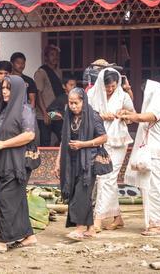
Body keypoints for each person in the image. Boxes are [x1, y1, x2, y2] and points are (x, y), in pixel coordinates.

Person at [121, 80, 160, 236]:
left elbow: (148, 117)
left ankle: (156, 225)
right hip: (153, 153)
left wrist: (132, 116)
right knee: (150, 188)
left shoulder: (159, 104)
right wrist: (132, 115)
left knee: (152, 189)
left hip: (155, 154)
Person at [0, 75, 38, 253]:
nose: (5, 91)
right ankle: (28, 236)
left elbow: (29, 135)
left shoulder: (25, 110)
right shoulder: (3, 109)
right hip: (2, 161)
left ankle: (2, 240)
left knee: (6, 199)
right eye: (3, 88)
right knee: (16, 199)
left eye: (8, 88)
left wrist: (4, 144)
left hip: (17, 162)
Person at [56, 88, 107, 240]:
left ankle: (79, 229)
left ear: (83, 101)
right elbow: (64, 140)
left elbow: (104, 137)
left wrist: (83, 144)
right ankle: (90, 229)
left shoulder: (93, 116)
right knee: (75, 192)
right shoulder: (69, 117)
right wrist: (58, 161)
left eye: (76, 103)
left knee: (81, 193)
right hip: (71, 162)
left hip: (88, 161)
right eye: (70, 103)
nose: (73, 106)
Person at [87, 68, 135, 232]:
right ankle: (118, 218)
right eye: (107, 86)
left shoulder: (123, 95)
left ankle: (98, 219)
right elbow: (84, 114)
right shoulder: (91, 94)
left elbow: (132, 116)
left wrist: (124, 114)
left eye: (113, 86)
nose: (110, 89)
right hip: (98, 141)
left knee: (106, 178)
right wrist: (100, 116)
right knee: (107, 179)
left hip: (119, 142)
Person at [34, 45, 64, 146]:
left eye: (56, 55)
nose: (55, 57)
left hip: (56, 112)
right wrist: (44, 113)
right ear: (46, 57)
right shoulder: (41, 72)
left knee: (62, 136)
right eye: (52, 55)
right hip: (44, 113)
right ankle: (43, 162)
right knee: (45, 141)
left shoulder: (59, 72)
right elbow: (38, 93)